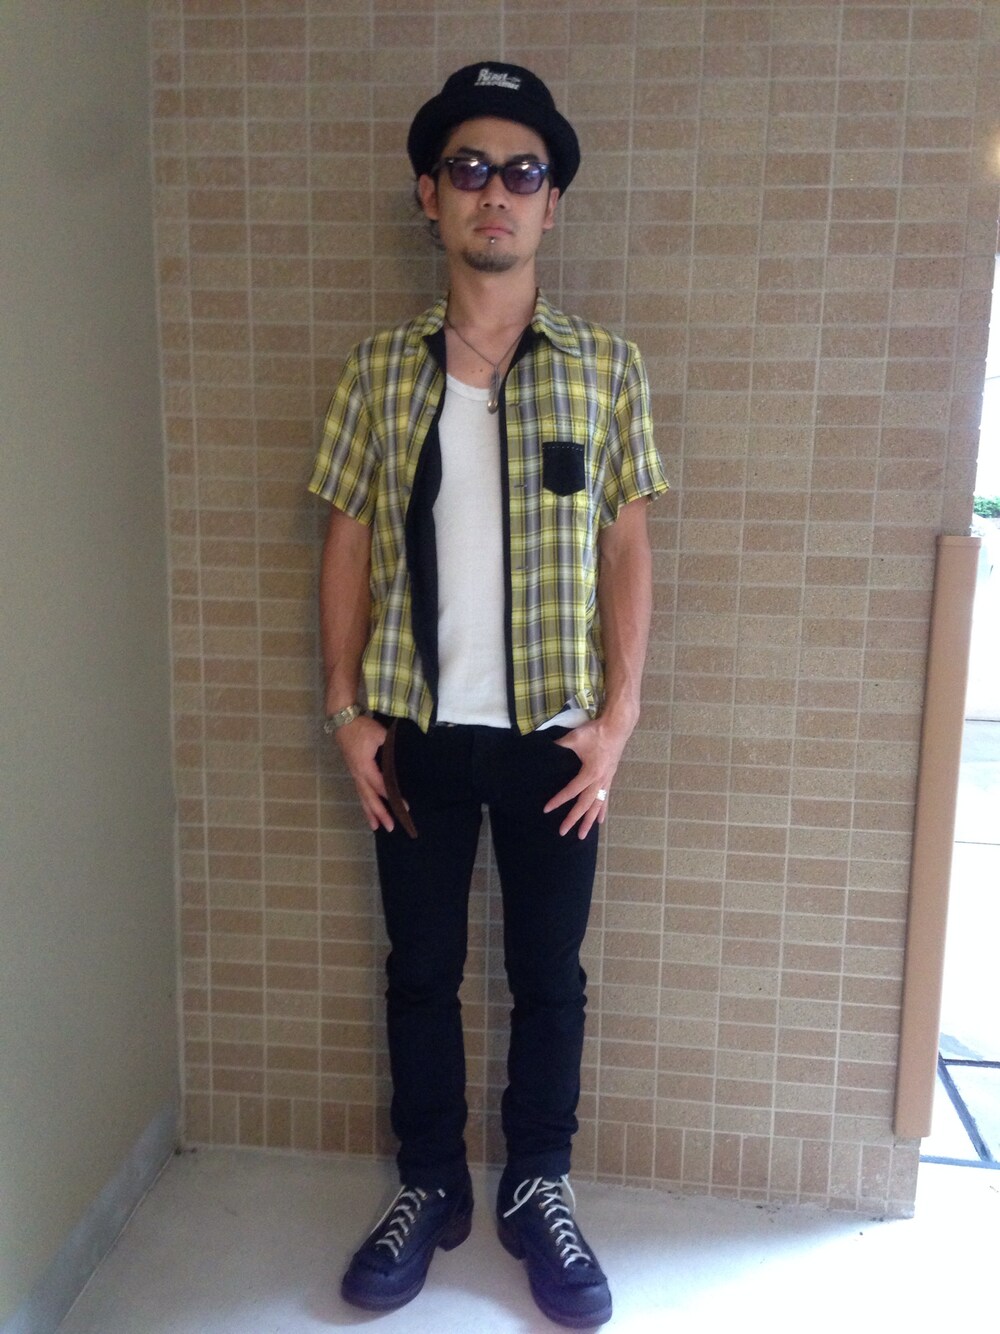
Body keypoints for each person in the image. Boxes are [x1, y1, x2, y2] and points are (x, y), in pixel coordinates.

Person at [308, 61, 668, 1329]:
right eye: (469, 168)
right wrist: (345, 708)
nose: (495, 191)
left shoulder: (604, 366)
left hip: (555, 744)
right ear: (430, 194)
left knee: (548, 975)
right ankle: (429, 1184)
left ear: (550, 202)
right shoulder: (377, 369)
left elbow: (626, 546)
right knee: (419, 970)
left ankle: (536, 1186)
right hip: (411, 733)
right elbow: (345, 539)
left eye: (523, 171)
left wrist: (618, 719)